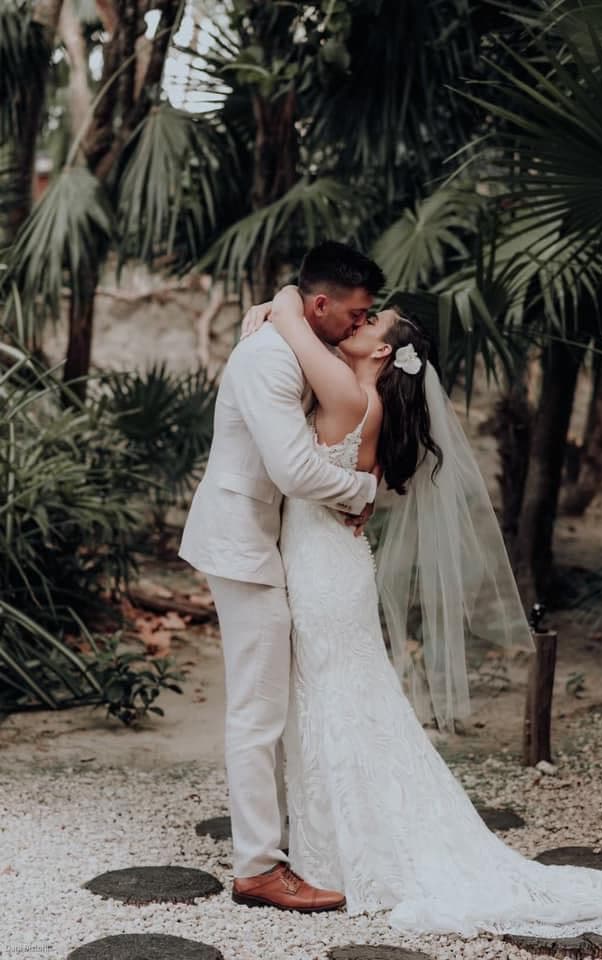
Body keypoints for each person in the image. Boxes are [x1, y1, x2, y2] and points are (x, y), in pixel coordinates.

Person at [241, 283, 602, 938]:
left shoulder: (350, 396)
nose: (363, 322)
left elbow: (294, 323)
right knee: (341, 697)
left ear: (383, 353)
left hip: (323, 571)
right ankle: (337, 842)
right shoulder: (359, 393)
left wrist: (284, 300)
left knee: (334, 698)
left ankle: (345, 851)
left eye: (374, 322)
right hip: (328, 564)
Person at [178, 242, 385, 912]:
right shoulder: (269, 357)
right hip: (241, 543)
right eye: (355, 313)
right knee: (257, 709)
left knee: (268, 703)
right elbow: (294, 470)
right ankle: (257, 868)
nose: (361, 324)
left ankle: (272, 846)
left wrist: (282, 303)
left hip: (263, 540)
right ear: (321, 304)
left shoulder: (295, 336)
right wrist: (362, 490)